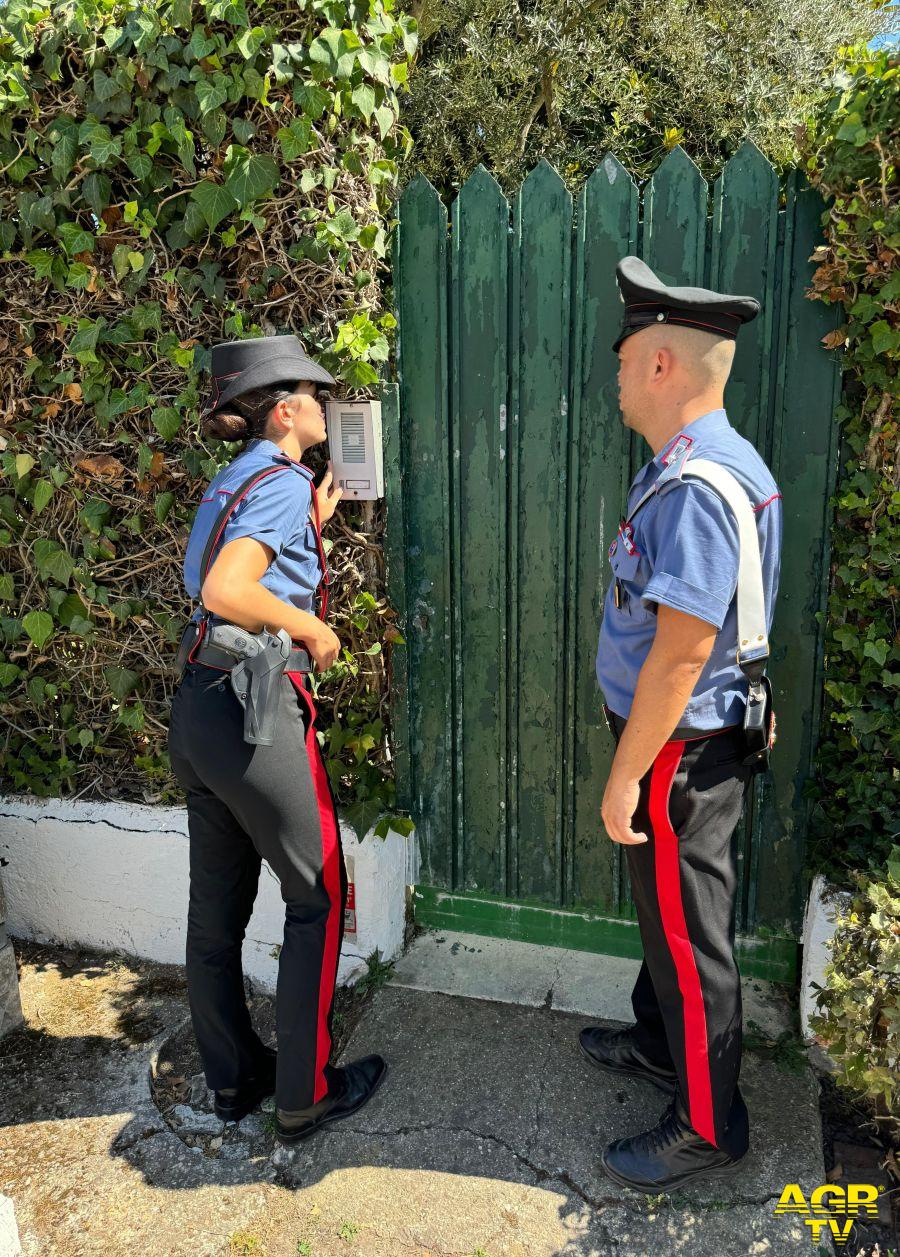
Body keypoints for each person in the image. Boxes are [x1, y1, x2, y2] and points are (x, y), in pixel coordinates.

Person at [582, 257, 783, 1193]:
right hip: (688, 742)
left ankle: (709, 1124)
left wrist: (628, 771)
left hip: (678, 750)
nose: (615, 373)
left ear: (660, 362)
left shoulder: (698, 484)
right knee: (667, 921)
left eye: (624, 356)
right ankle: (665, 1048)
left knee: (691, 934)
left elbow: (680, 654)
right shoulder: (696, 467)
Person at [167, 333, 386, 1144]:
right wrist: (311, 627)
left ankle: (234, 1083)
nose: (326, 406)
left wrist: (309, 522)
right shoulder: (281, 484)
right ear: (287, 409)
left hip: (198, 709)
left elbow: (224, 568)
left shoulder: (240, 479)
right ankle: (306, 1092)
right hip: (254, 709)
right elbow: (230, 586)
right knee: (317, 895)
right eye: (316, 395)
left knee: (213, 919)